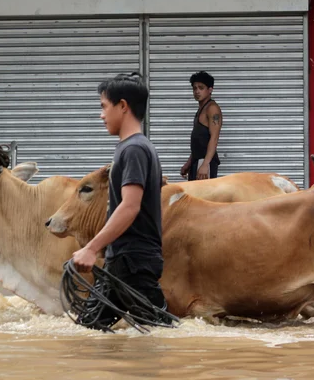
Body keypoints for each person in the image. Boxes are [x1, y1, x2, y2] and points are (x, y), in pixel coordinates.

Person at [72, 72, 167, 327]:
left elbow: (130, 206)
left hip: (131, 261)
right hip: (127, 260)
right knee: (90, 330)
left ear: (122, 106)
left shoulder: (134, 149)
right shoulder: (137, 147)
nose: (101, 115)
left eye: (104, 107)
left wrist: (91, 248)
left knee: (157, 331)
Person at [181, 71, 222, 181]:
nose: (197, 91)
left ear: (210, 90)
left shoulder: (212, 109)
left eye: (201, 88)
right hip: (197, 162)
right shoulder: (201, 110)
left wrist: (205, 164)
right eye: (194, 88)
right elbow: (199, 142)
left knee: (203, 197)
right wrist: (189, 163)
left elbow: (214, 138)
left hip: (205, 163)